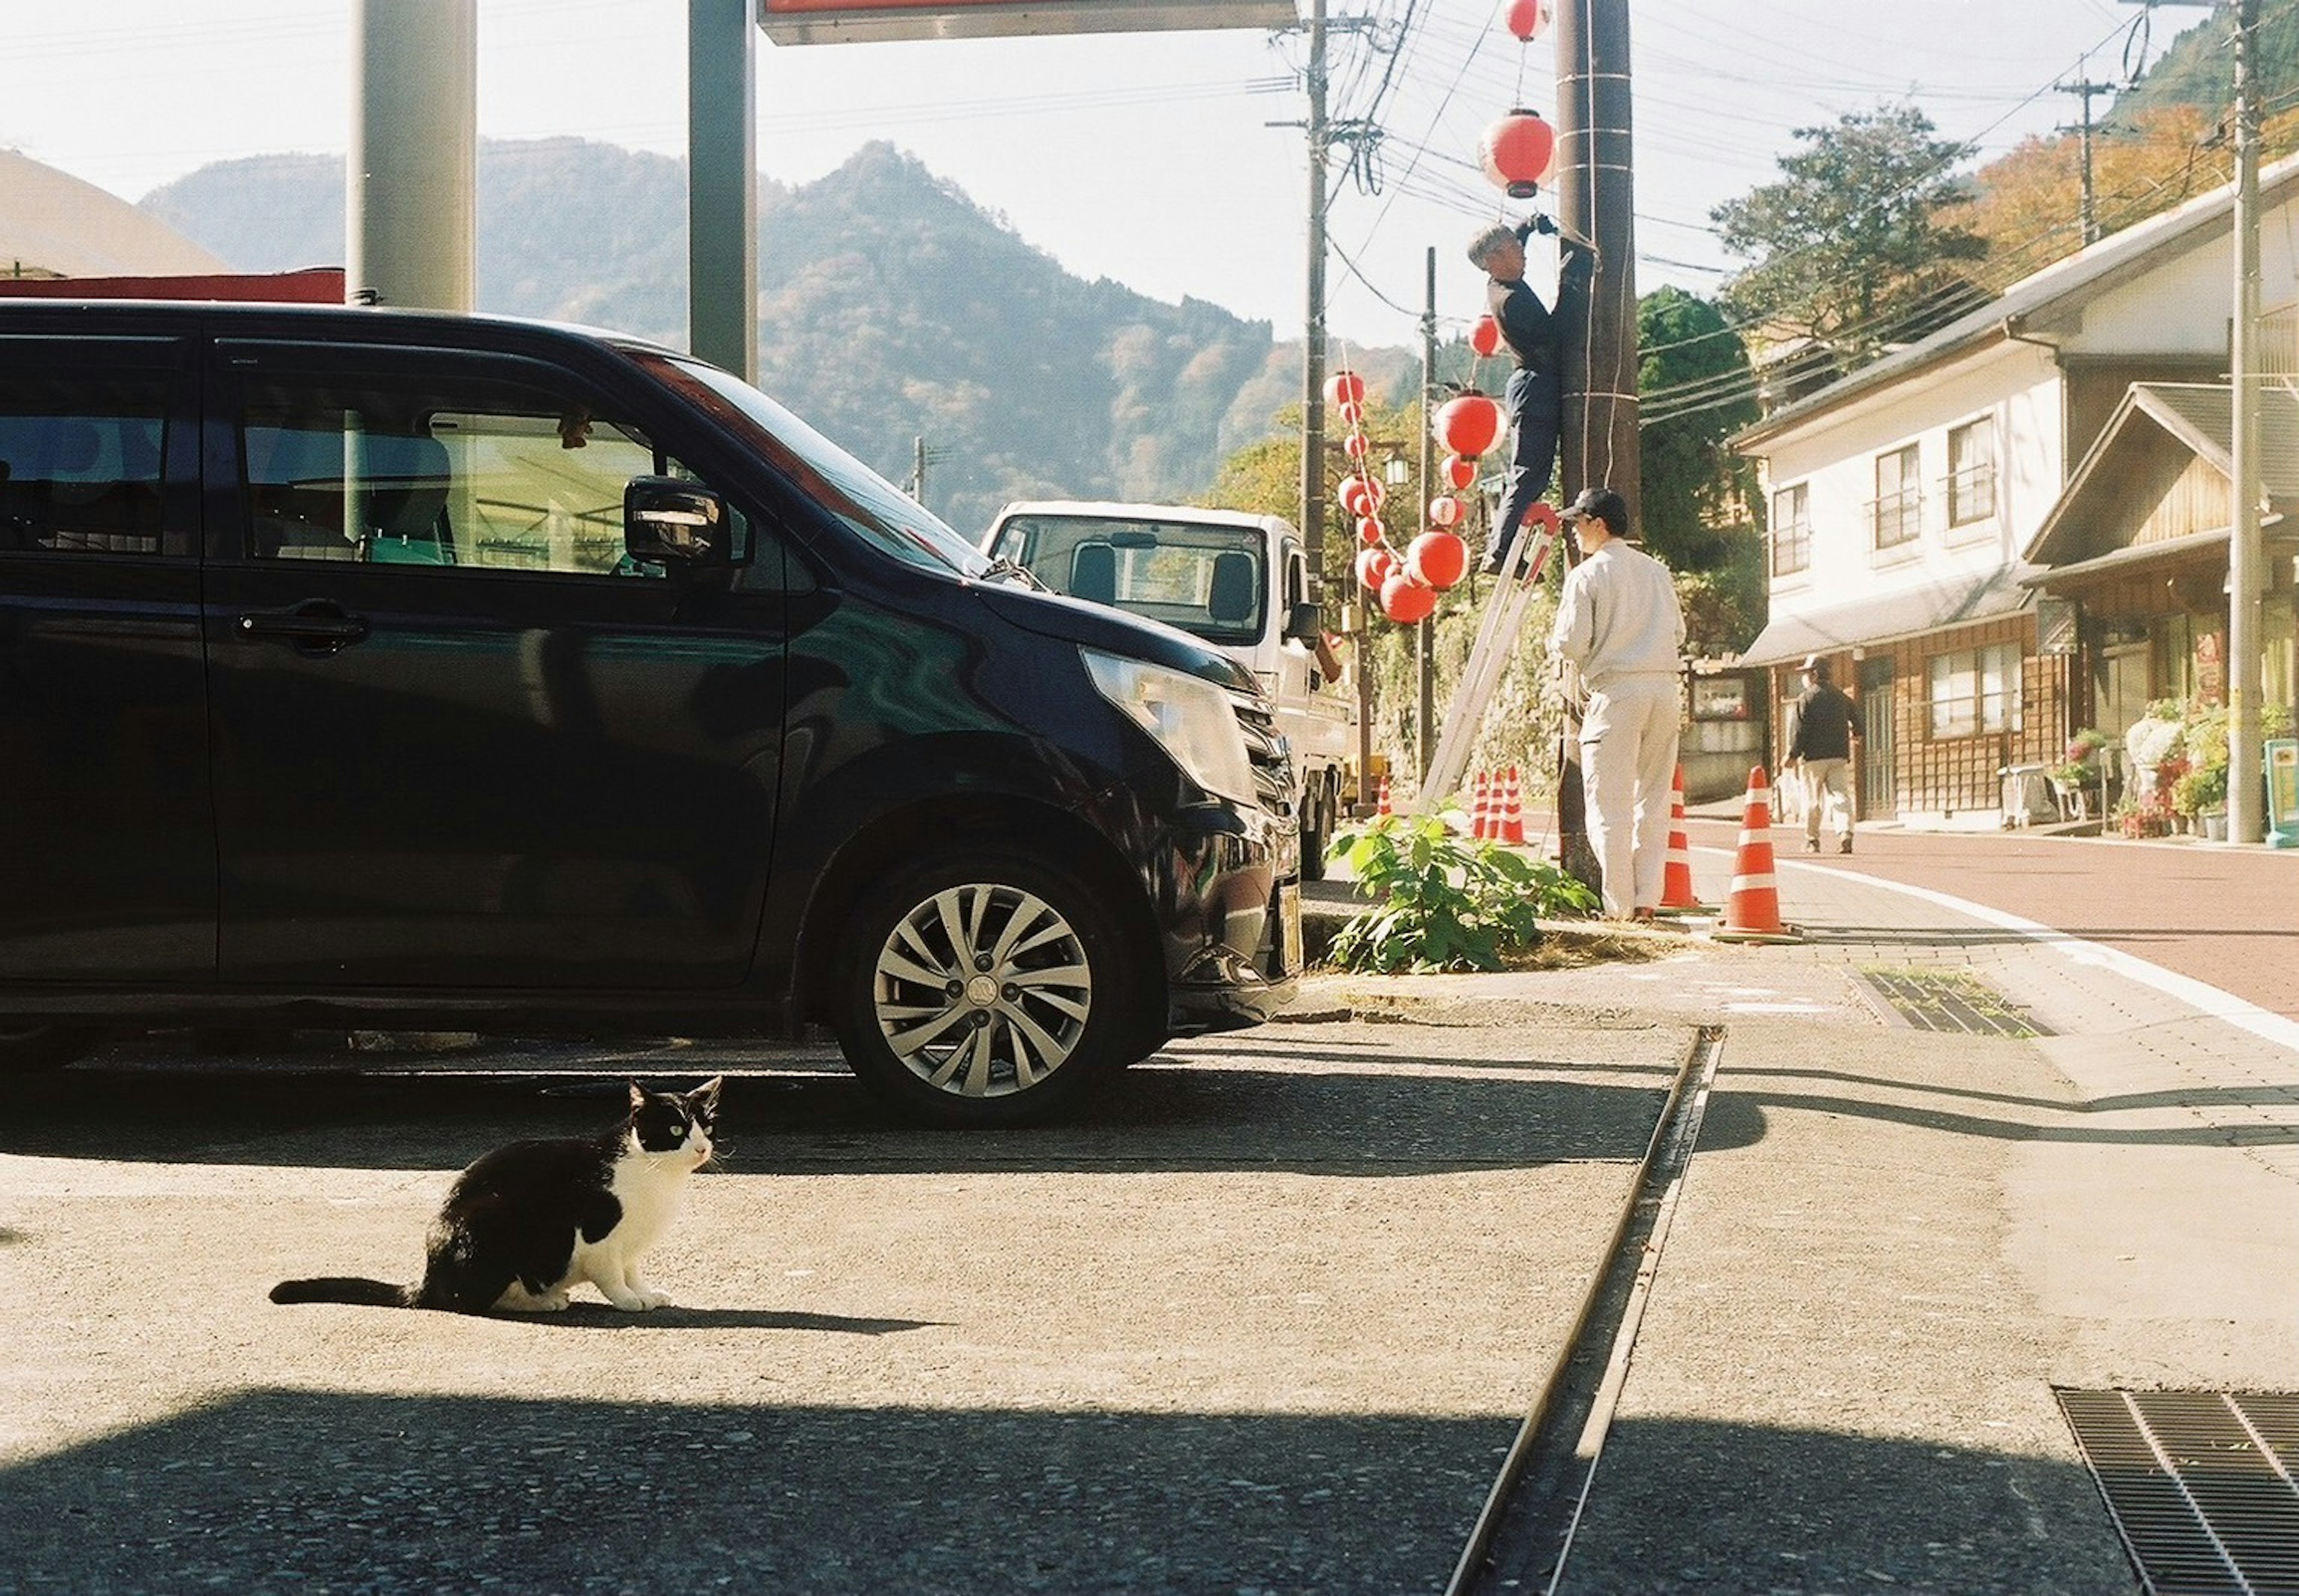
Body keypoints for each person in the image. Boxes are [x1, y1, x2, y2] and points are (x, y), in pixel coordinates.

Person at [1548, 487, 1687, 922]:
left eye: (1578, 523)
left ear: (1598, 525)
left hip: (1617, 691)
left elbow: (1571, 644)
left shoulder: (1586, 576)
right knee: (1654, 798)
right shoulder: (1657, 572)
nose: (1574, 532)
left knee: (1609, 803)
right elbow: (1678, 633)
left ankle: (1620, 907)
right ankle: (1648, 899)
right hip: (1665, 690)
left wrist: (1555, 643)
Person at [1466, 215, 1596, 577]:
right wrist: (1572, 278)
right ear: (1493, 260)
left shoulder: (1501, 280)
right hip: (1535, 389)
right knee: (1528, 475)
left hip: (1534, 387)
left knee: (1532, 475)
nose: (1522, 255)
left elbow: (1511, 243)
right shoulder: (1510, 302)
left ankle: (1503, 549)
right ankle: (1500, 551)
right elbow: (1557, 332)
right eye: (1514, 250)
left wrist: (1526, 227)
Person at [1786, 654, 1860, 854]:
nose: (1806, 677)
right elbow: (1857, 717)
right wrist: (1857, 733)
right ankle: (1845, 832)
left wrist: (1792, 755)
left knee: (1813, 800)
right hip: (1838, 755)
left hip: (1813, 758)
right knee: (1840, 795)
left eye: (1808, 673)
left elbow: (1799, 731)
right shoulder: (1841, 696)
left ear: (1814, 674)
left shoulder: (1806, 698)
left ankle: (1812, 840)